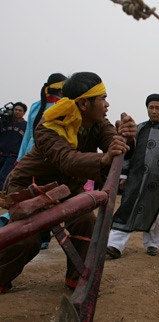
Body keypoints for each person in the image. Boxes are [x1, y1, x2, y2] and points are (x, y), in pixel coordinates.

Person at [0, 72, 137, 293]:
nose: (107, 104)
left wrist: (127, 137)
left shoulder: (98, 122)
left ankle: (77, 281)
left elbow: (112, 140)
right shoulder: (48, 127)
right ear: (84, 103)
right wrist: (104, 158)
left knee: (86, 222)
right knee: (27, 240)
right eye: (102, 98)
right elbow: (67, 160)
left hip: (68, 189)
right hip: (30, 188)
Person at [107, 93, 159, 258]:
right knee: (127, 207)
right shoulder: (138, 129)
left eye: (157, 108)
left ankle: (153, 244)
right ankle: (114, 245)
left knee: (157, 211)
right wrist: (123, 175)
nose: (153, 111)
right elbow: (127, 152)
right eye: (150, 107)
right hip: (135, 177)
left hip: (157, 181)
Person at [17, 72, 67, 250]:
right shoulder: (42, 106)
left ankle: (42, 235)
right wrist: (21, 158)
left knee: (43, 197)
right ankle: (39, 235)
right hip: (38, 157)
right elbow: (29, 135)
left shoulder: (59, 106)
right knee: (39, 197)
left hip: (43, 156)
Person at [17, 73, 67, 161]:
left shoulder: (35, 105)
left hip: (29, 152)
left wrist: (19, 159)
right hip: (50, 153)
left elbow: (27, 135)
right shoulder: (64, 107)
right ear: (61, 90)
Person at [0, 102, 27, 190]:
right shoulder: (5, 122)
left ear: (24, 113)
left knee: (3, 177)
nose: (17, 112)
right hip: (1, 153)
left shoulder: (26, 125)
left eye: (20, 110)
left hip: (12, 156)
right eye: (15, 109)